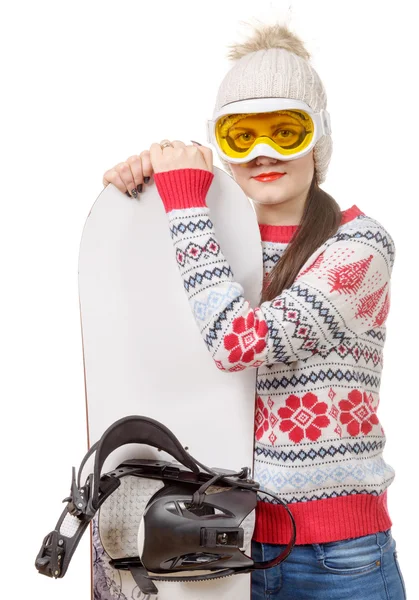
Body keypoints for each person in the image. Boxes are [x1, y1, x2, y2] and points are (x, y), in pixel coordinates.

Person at [102, 20, 407, 600]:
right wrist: (144, 197)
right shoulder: (215, 244)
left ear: (318, 139)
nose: (264, 154)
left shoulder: (359, 246)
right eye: (242, 137)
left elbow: (239, 341)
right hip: (219, 545)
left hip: (339, 560)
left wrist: (187, 202)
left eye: (285, 132)